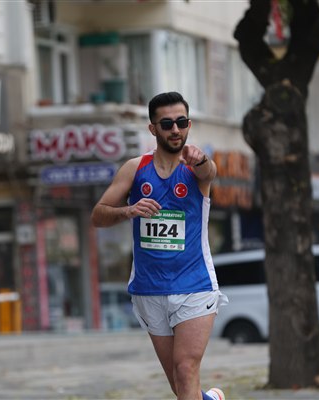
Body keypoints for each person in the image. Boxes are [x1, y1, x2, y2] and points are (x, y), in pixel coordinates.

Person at [91, 92, 228, 400]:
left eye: (181, 122)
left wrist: (201, 160)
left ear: (189, 124)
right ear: (152, 128)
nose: (175, 129)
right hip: (149, 288)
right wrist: (129, 210)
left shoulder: (196, 167)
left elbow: (210, 172)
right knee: (181, 384)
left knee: (185, 369)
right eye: (167, 124)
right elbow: (98, 215)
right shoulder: (134, 169)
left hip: (194, 285)